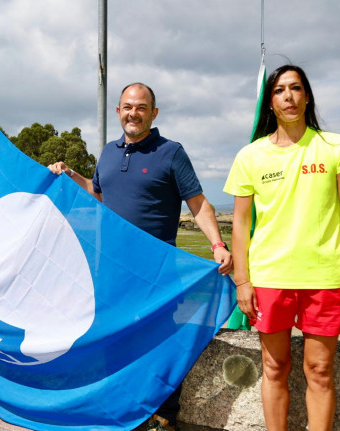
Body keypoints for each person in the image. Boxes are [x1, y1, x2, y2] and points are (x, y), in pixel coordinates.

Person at [49, 82, 232, 430]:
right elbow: (99, 193)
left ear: (154, 113)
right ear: (118, 111)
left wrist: (218, 245)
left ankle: (164, 417)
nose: (134, 113)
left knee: (161, 347)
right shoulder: (108, 152)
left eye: (141, 107)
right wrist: (70, 174)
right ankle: (117, 411)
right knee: (113, 343)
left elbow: (199, 205)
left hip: (158, 276)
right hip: (113, 273)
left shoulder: (171, 152)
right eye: (127, 107)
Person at [224, 65, 340, 431]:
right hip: (270, 278)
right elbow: (240, 224)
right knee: (275, 367)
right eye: (280, 90)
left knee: (319, 369)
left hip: (325, 278)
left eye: (296, 88)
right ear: (270, 102)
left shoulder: (337, 147)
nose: (289, 96)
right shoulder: (250, 156)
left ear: (307, 96)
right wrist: (243, 281)